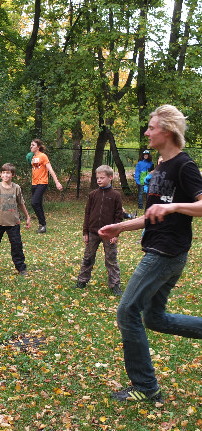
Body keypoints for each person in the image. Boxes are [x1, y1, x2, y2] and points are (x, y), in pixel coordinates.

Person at [99, 105, 202, 402]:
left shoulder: (184, 166)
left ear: (167, 132)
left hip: (165, 253)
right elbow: (152, 215)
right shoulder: (160, 168)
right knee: (154, 318)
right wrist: (120, 226)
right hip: (162, 250)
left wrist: (173, 206)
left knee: (127, 311)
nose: (146, 132)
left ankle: (145, 387)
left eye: (152, 127)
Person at [74, 165, 123, 295]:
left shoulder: (116, 195)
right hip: (93, 232)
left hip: (109, 233)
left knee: (111, 259)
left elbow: (118, 216)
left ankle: (115, 285)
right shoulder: (93, 195)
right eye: (97, 178)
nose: (99, 180)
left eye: (102, 178)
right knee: (88, 257)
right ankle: (82, 281)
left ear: (110, 177)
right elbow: (87, 213)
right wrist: (85, 232)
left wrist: (115, 234)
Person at [29, 139, 63, 233]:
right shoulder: (33, 157)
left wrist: (57, 182)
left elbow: (50, 170)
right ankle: (42, 226)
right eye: (31, 145)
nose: (31, 146)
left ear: (38, 147)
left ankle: (42, 224)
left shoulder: (43, 156)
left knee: (34, 202)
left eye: (33, 145)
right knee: (38, 204)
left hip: (42, 183)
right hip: (34, 184)